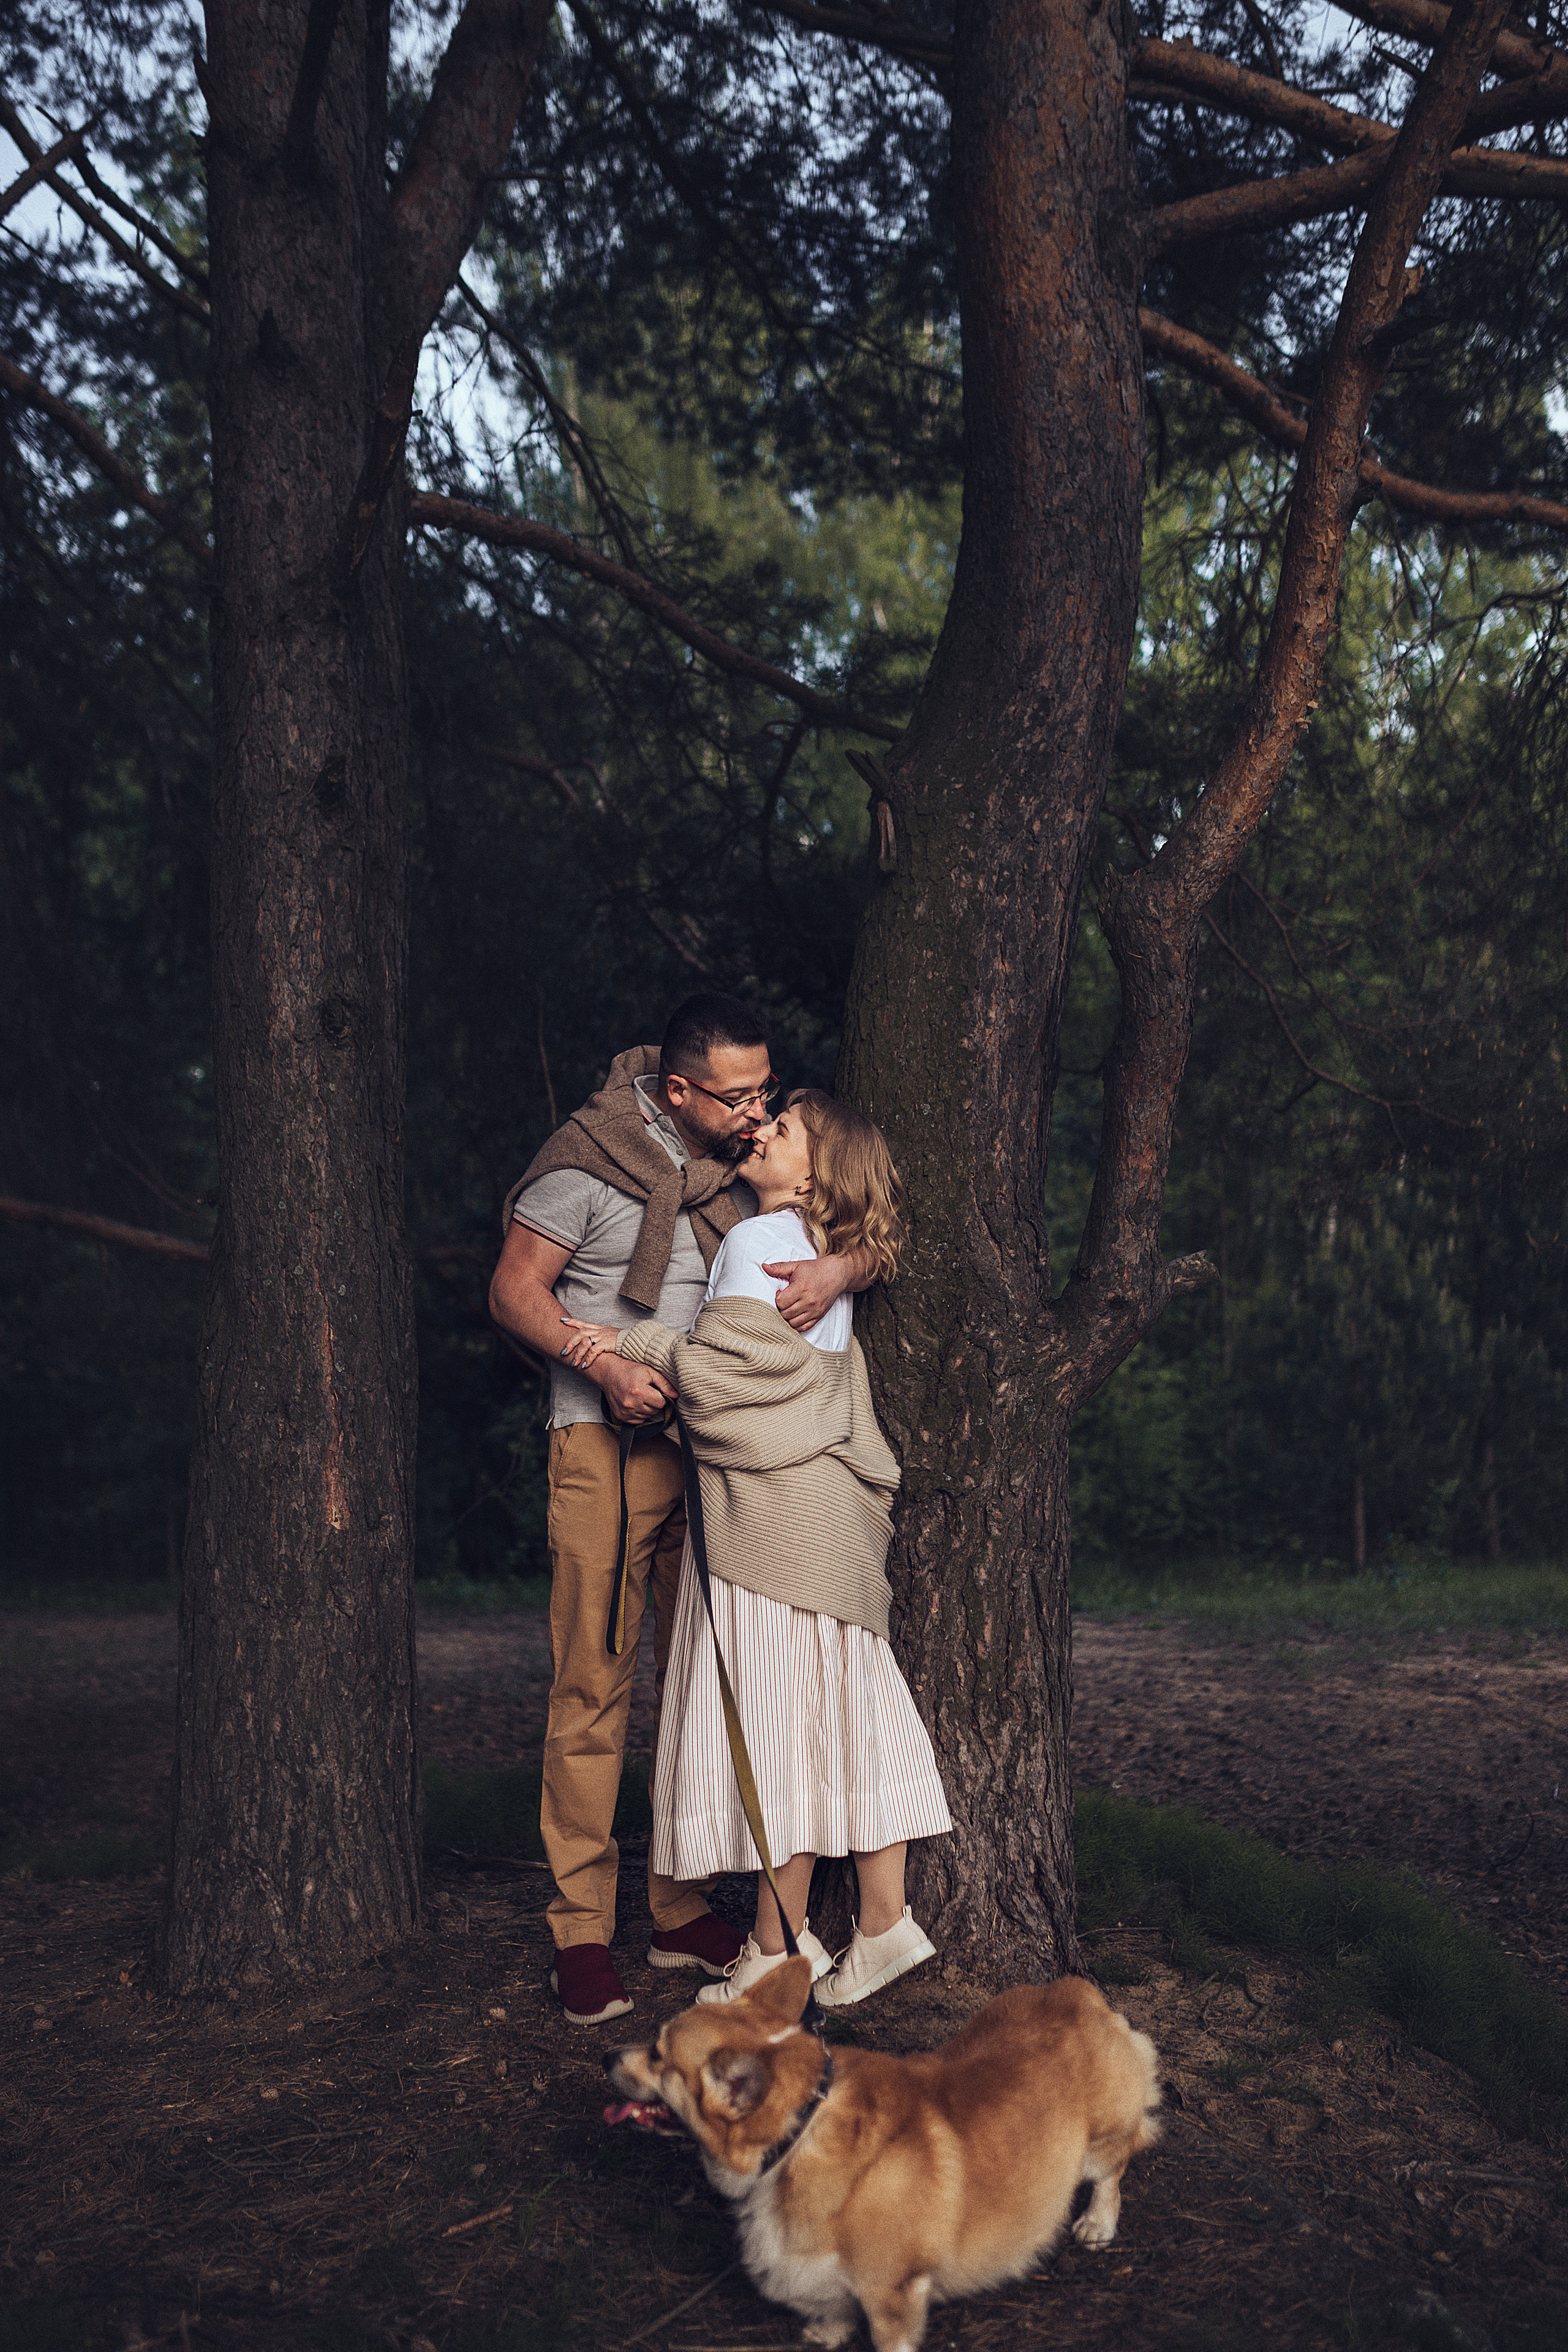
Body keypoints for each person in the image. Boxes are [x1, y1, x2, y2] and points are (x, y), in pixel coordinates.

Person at [488, 996, 870, 2027]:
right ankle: (579, 1929)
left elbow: (864, 1206)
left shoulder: (738, 1180)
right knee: (594, 1682)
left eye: (765, 1090)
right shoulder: (587, 1164)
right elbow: (514, 1293)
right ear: (676, 1092)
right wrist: (600, 1363)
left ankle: (675, 1907)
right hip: (604, 1446)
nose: (757, 1112)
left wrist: (846, 1261)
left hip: (709, 1455)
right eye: (738, 1096)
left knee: (700, 1678)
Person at [562, 1090, 951, 2010]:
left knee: (777, 1732)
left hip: (772, 1519)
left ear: (813, 1173)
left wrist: (635, 1339)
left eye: (782, 1130)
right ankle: (883, 1920)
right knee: (844, 1716)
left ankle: (777, 1949)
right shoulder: (820, 1251)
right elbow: (788, 1371)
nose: (762, 1129)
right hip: (833, 1518)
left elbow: (733, 1390)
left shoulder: (756, 1239)